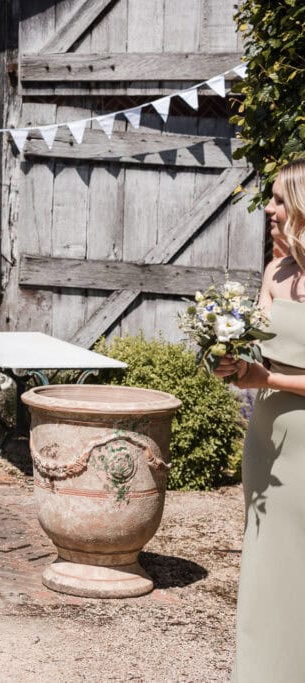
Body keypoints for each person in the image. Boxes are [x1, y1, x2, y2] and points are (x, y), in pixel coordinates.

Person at [215, 159, 305, 680]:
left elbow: (271, 377)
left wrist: (265, 381)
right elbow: (262, 361)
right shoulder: (274, 273)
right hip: (269, 437)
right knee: (268, 562)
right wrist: (232, 363)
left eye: (276, 199)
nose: (268, 209)